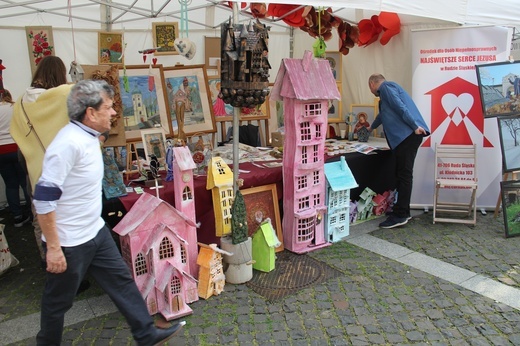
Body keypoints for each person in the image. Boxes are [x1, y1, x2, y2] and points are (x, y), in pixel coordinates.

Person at [33, 79, 184, 345]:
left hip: (95, 232)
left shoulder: (88, 136)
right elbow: (43, 200)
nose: (114, 113)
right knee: (58, 302)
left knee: (122, 283)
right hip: (69, 242)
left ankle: (146, 335)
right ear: (90, 113)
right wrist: (54, 248)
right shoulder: (67, 144)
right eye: (108, 107)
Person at [10, 55, 71, 264]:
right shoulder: (61, 96)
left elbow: (18, 133)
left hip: (34, 168)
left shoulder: (20, 101)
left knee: (40, 219)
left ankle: (49, 262)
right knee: (64, 220)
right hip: (61, 170)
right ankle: (70, 267)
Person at [367, 73, 430, 229]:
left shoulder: (386, 88)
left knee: (404, 175)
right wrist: (371, 127)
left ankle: (400, 215)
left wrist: (414, 126)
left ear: (372, 84)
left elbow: (399, 106)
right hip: (406, 137)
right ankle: (402, 210)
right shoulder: (387, 92)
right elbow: (383, 115)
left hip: (408, 136)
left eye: (370, 87)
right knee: (401, 174)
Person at [0, 89, 31, 226]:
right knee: (25, 181)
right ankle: (32, 213)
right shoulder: (15, 107)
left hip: (1, 151)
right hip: (16, 147)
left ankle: (17, 216)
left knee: (10, 184)